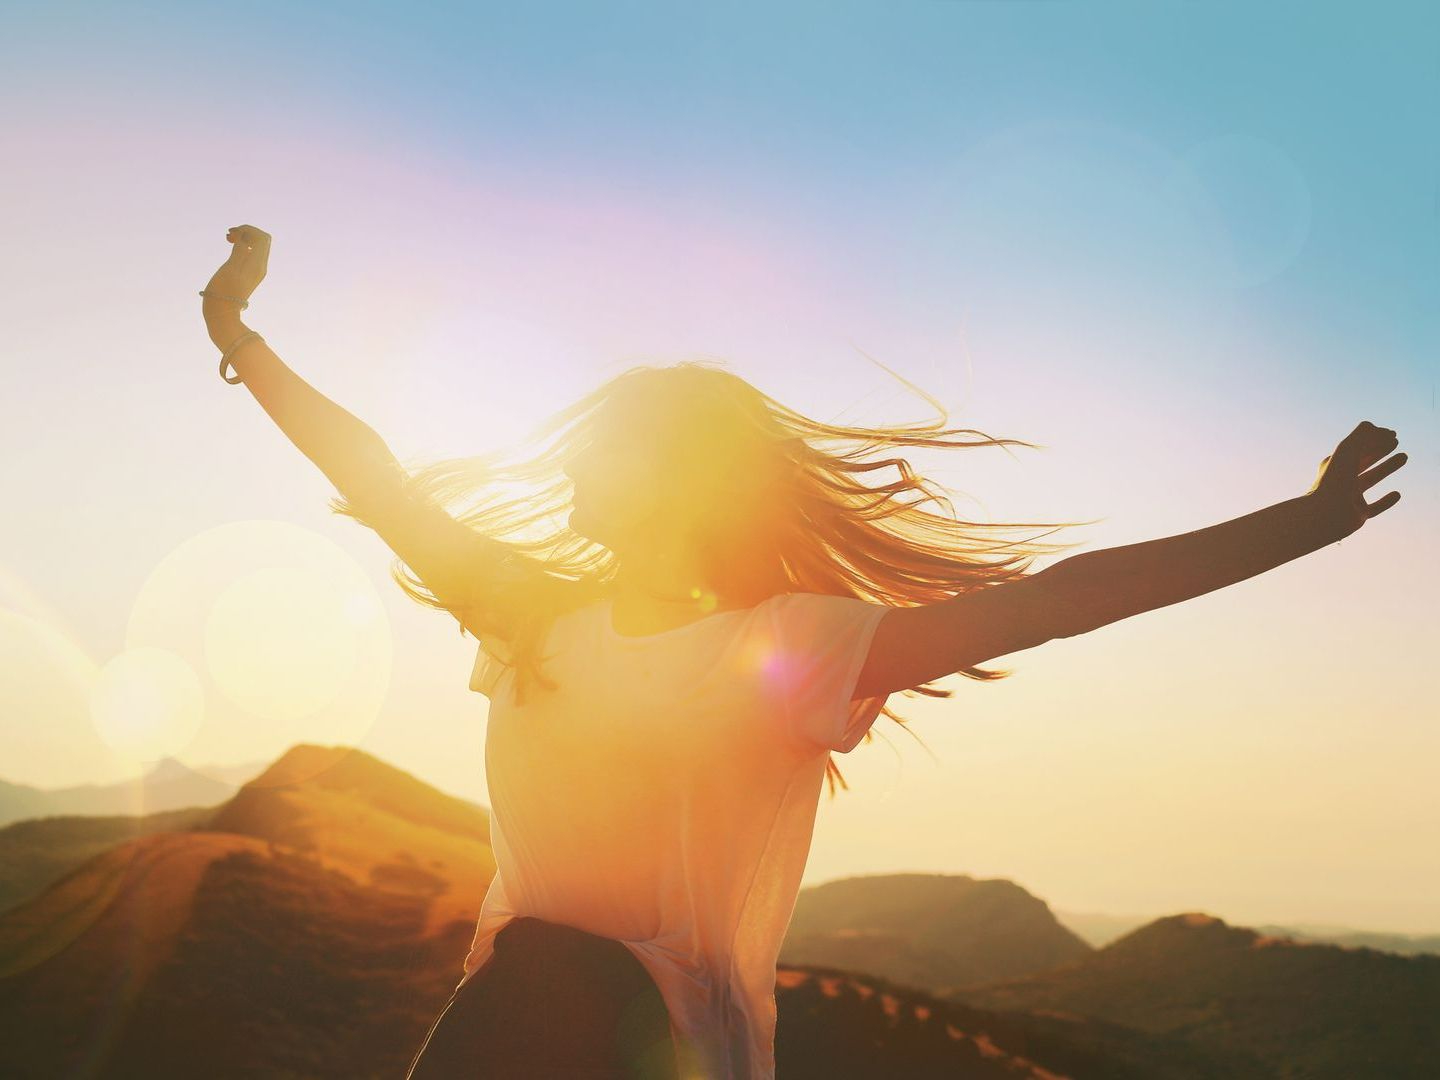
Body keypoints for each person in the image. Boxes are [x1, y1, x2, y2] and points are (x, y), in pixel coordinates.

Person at [199, 225, 1406, 1079]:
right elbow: (371, 471)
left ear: (671, 477)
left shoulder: (788, 650)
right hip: (514, 1016)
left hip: (627, 1038)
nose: (567, 466)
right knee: (534, 973)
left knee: (545, 977)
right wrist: (239, 336)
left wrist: (1306, 521)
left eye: (598, 449)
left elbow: (1064, 599)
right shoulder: (534, 614)